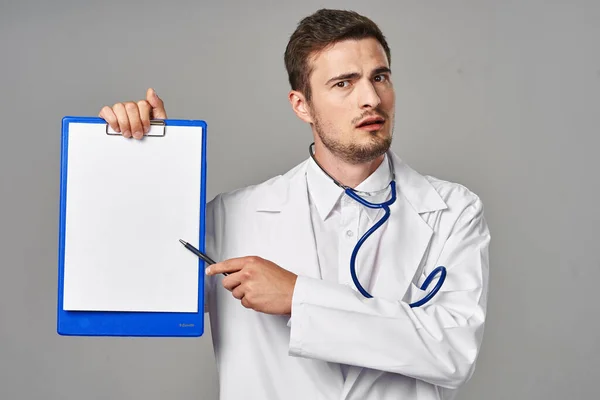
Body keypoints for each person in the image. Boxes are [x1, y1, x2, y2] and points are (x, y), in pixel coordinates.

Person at [99, 8, 490, 400]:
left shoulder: (453, 211)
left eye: (380, 77)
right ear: (302, 105)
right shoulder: (231, 218)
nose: (371, 98)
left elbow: (455, 353)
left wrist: (297, 298)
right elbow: (129, 281)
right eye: (344, 84)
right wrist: (149, 160)